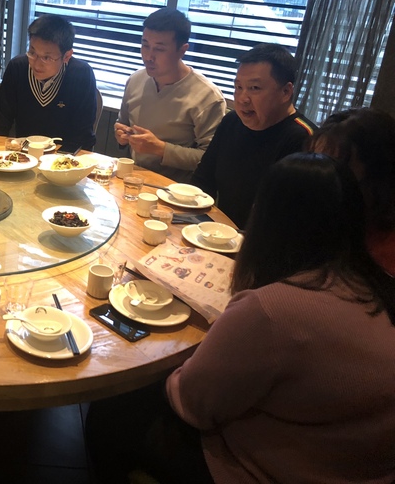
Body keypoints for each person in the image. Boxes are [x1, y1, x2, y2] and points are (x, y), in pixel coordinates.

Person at [165, 154, 395, 483]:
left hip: (266, 471)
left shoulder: (271, 310)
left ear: (268, 219)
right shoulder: (375, 285)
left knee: (115, 412)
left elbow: (193, 404)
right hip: (357, 468)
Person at [191, 43, 315, 228]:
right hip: (219, 233)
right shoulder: (232, 121)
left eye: (254, 88)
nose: (242, 98)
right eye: (238, 87)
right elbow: (203, 180)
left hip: (264, 241)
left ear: (286, 92)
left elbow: (290, 219)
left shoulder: (305, 140)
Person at [113, 8, 225, 182]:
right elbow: (122, 124)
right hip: (133, 179)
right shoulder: (136, 80)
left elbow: (211, 159)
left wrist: (161, 149)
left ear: (182, 50)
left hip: (176, 189)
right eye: (145, 45)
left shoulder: (207, 97)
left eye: (159, 49)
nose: (148, 56)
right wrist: (121, 134)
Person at [0, 14, 98, 151]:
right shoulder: (17, 67)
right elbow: (0, 124)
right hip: (22, 154)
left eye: (47, 58)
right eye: (32, 52)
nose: (36, 64)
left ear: (66, 56)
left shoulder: (81, 74)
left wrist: (61, 162)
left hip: (64, 157)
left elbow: (83, 136)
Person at [310, 107, 395, 275]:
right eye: (315, 163)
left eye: (336, 169)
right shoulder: (320, 223)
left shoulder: (385, 254)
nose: (318, 177)